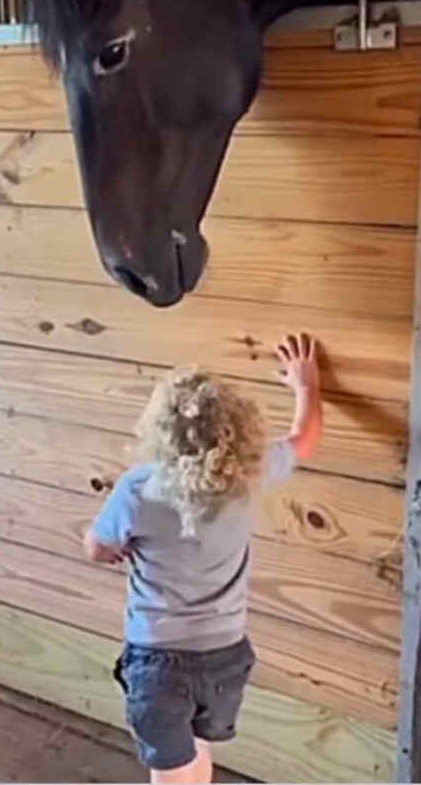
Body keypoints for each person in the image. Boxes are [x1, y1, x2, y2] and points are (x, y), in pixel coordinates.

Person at [83, 333, 323, 784]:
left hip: (157, 658)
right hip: (224, 655)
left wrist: (115, 545)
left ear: (159, 430)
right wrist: (306, 385)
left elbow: (96, 548)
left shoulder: (139, 489)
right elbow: (304, 437)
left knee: (169, 773)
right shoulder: (249, 474)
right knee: (198, 751)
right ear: (235, 426)